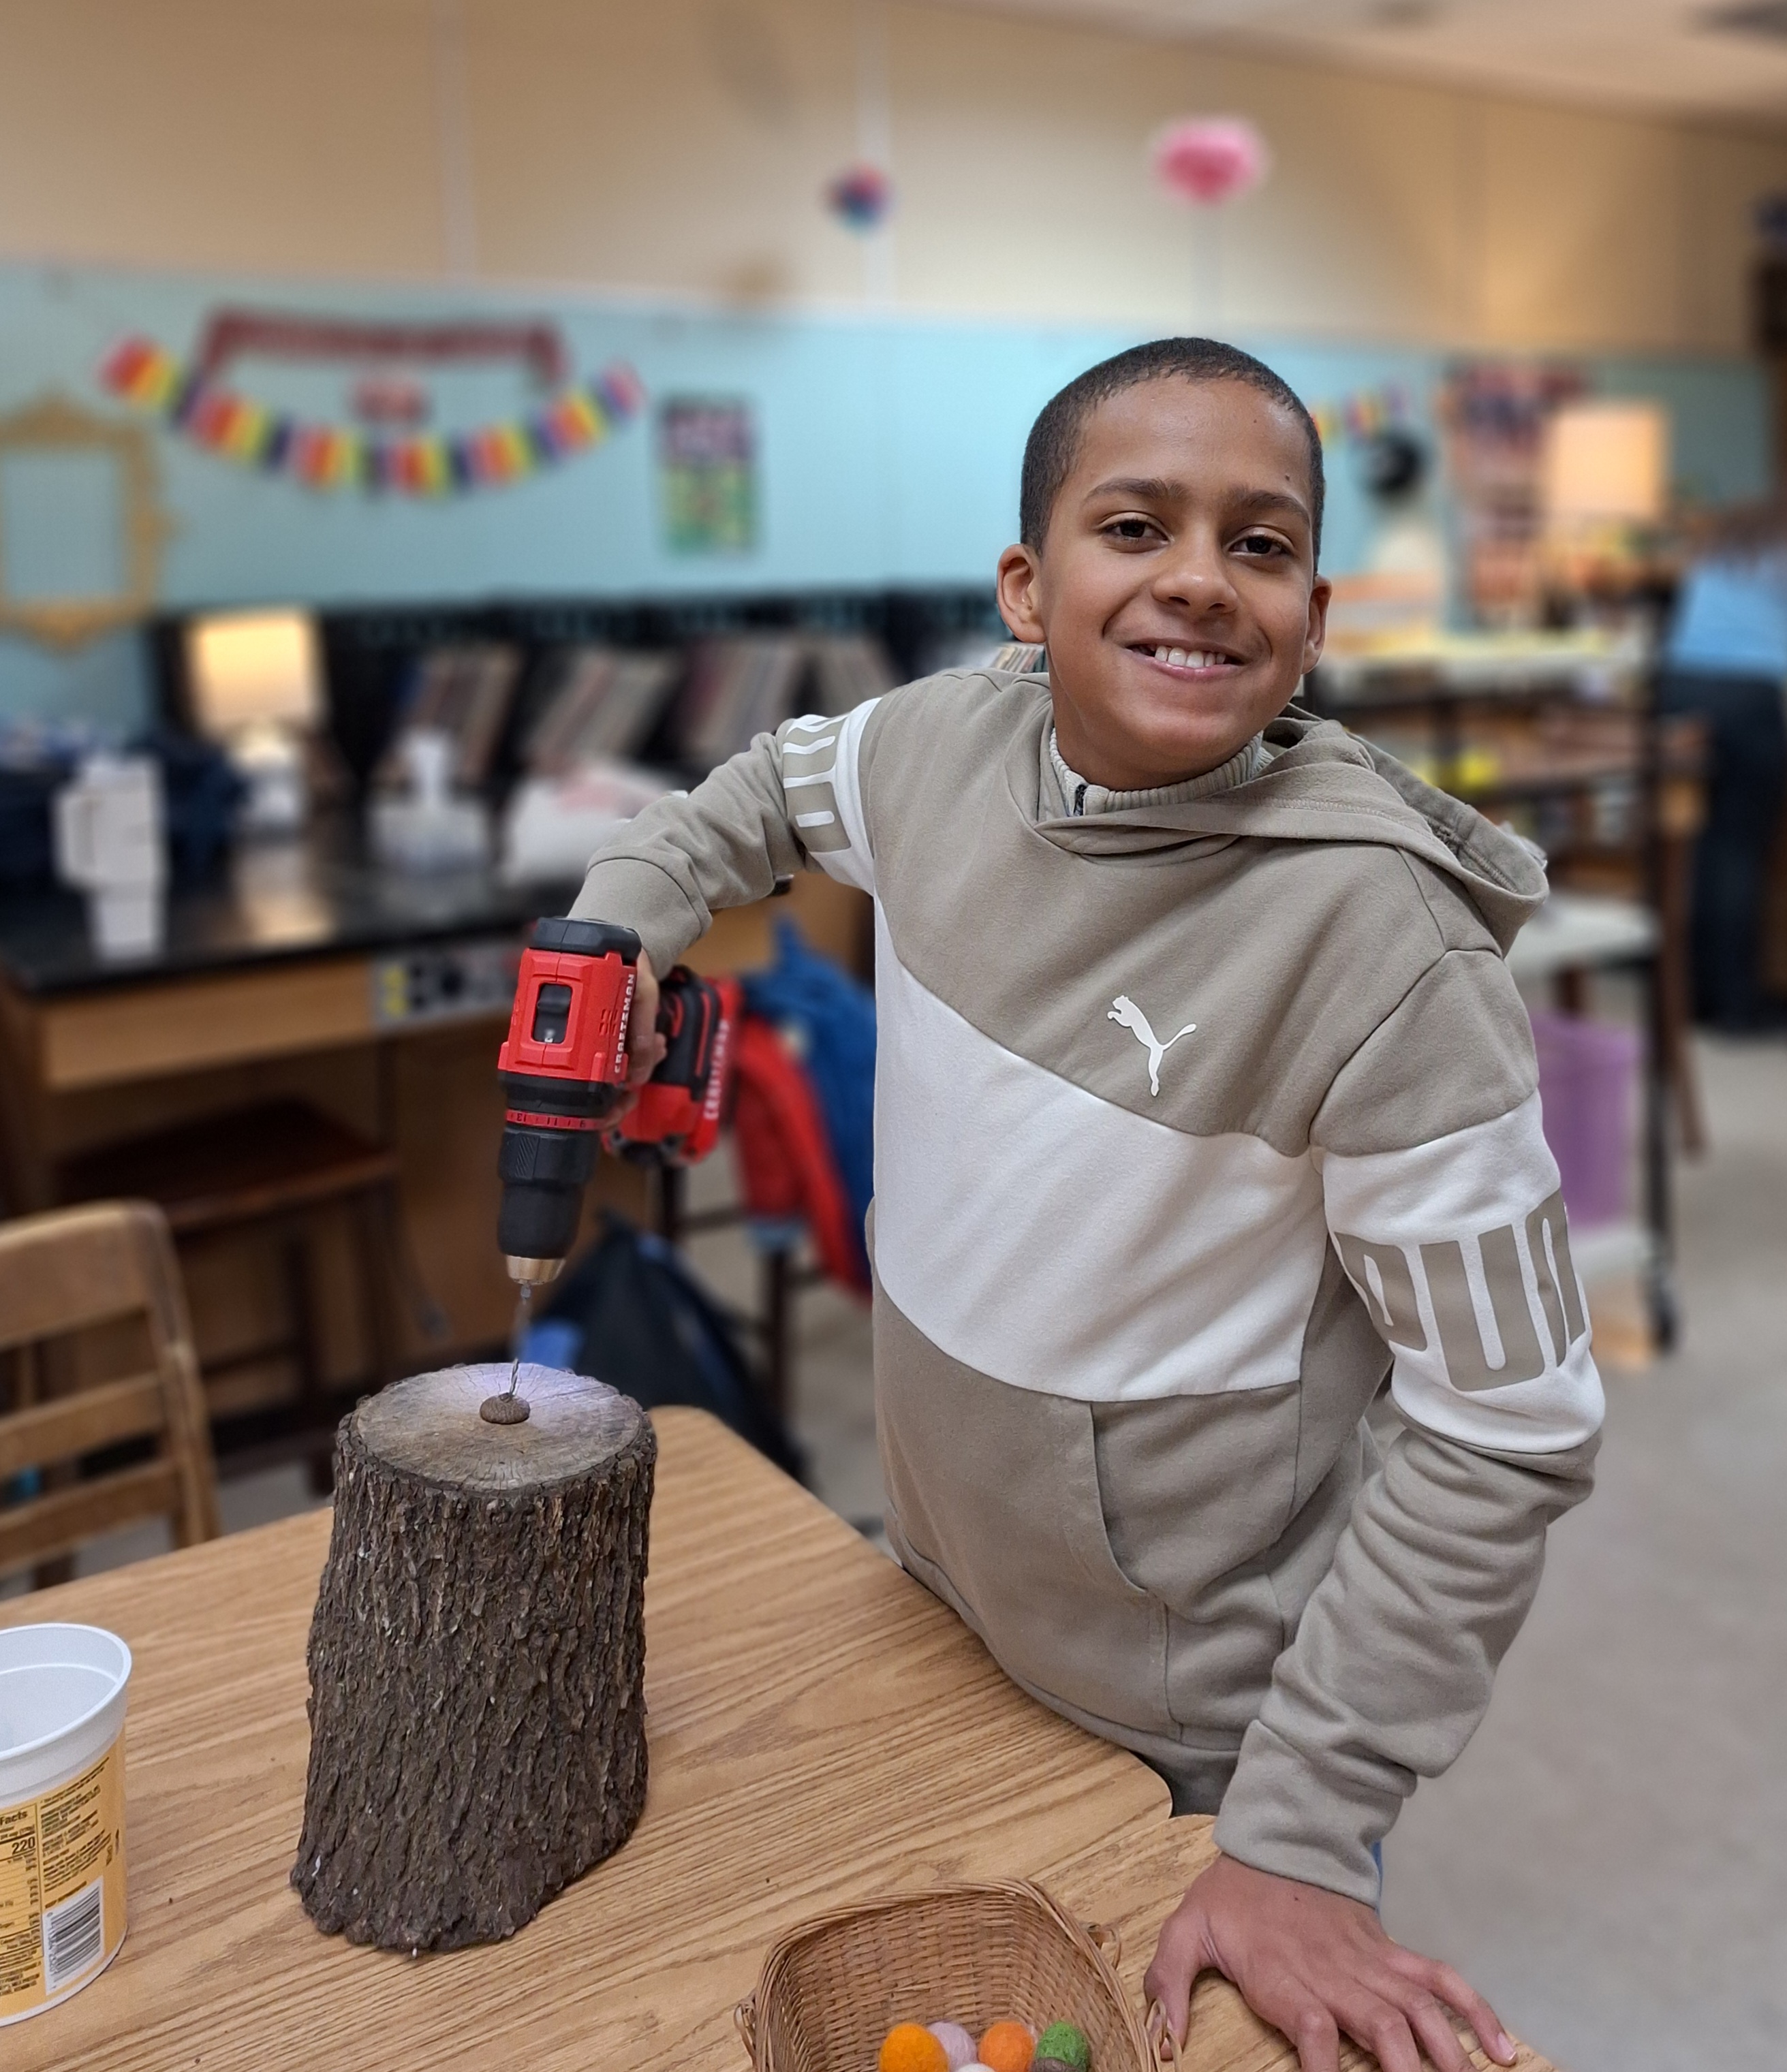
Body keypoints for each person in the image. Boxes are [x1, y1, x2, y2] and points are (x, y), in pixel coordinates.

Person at [576, 339, 1602, 2072]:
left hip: (1186, 1731)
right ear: (1028, 587)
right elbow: (753, 797)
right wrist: (616, 928)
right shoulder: (927, 748)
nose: (1199, 576)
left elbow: (1505, 1422)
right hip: (925, 1593)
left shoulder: (1384, 954)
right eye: (1136, 525)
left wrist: (1300, 1832)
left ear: (1313, 610)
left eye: (1259, 543)